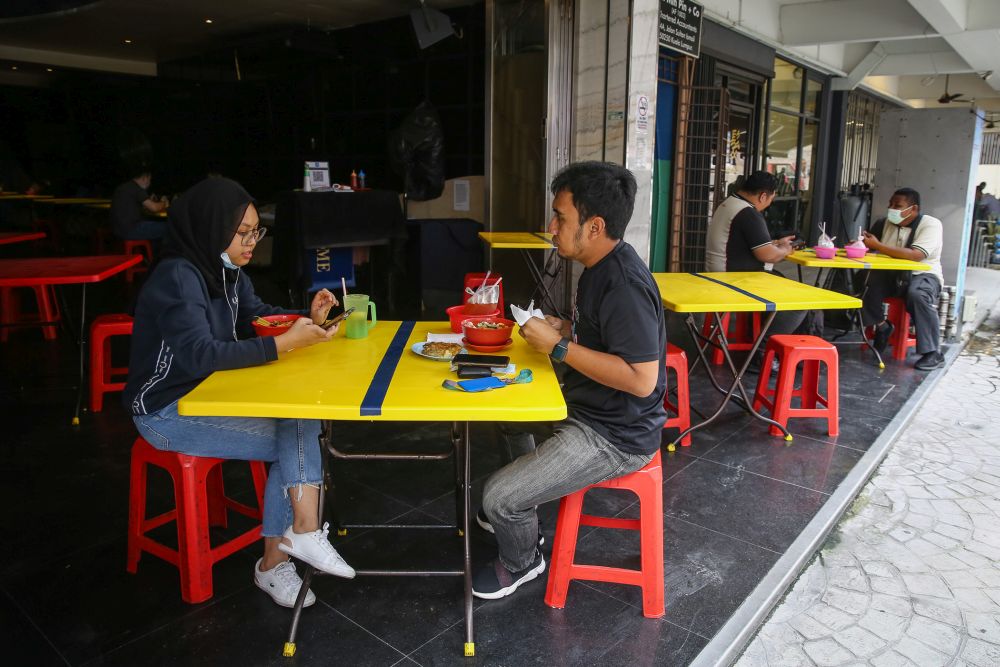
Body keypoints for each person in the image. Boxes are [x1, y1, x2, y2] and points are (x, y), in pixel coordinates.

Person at [124, 177, 355, 609]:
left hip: (214, 394)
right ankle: (292, 546)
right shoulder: (179, 276)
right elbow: (197, 356)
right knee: (297, 435)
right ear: (213, 229)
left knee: (298, 424)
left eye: (256, 231)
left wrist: (305, 317)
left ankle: (291, 547)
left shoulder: (225, 271)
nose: (252, 241)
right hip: (165, 411)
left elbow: (258, 314)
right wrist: (285, 344)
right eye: (244, 232)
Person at [472, 161, 666, 600]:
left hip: (615, 436)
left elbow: (641, 380)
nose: (552, 226)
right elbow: (606, 338)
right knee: (508, 414)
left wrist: (559, 348)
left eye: (561, 217)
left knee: (497, 497)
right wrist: (563, 328)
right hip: (587, 409)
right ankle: (528, 500)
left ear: (594, 226)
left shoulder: (624, 283)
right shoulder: (598, 266)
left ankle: (522, 561)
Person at [704, 170, 806, 359]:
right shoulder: (748, 213)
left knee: (785, 287)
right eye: (769, 200)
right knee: (800, 301)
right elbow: (767, 255)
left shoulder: (729, 204)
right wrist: (786, 250)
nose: (767, 205)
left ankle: (766, 343)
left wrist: (776, 245)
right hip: (736, 280)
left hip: (720, 274)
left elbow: (747, 245)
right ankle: (762, 350)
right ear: (763, 195)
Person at [861, 187, 944, 371]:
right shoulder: (884, 223)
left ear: (913, 209)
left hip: (923, 275)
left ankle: (932, 352)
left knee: (917, 295)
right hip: (891, 274)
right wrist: (859, 245)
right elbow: (867, 248)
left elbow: (916, 255)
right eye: (890, 204)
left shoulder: (931, 225)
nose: (891, 208)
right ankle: (881, 325)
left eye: (897, 206)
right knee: (863, 283)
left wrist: (878, 246)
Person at [111, 171, 170, 241]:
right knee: (170, 227)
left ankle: (152, 250)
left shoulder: (123, 187)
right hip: (131, 230)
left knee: (155, 229)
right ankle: (168, 251)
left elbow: (131, 208)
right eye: (149, 180)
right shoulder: (136, 188)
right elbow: (154, 208)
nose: (149, 183)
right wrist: (164, 202)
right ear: (145, 178)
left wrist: (149, 201)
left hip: (117, 231)